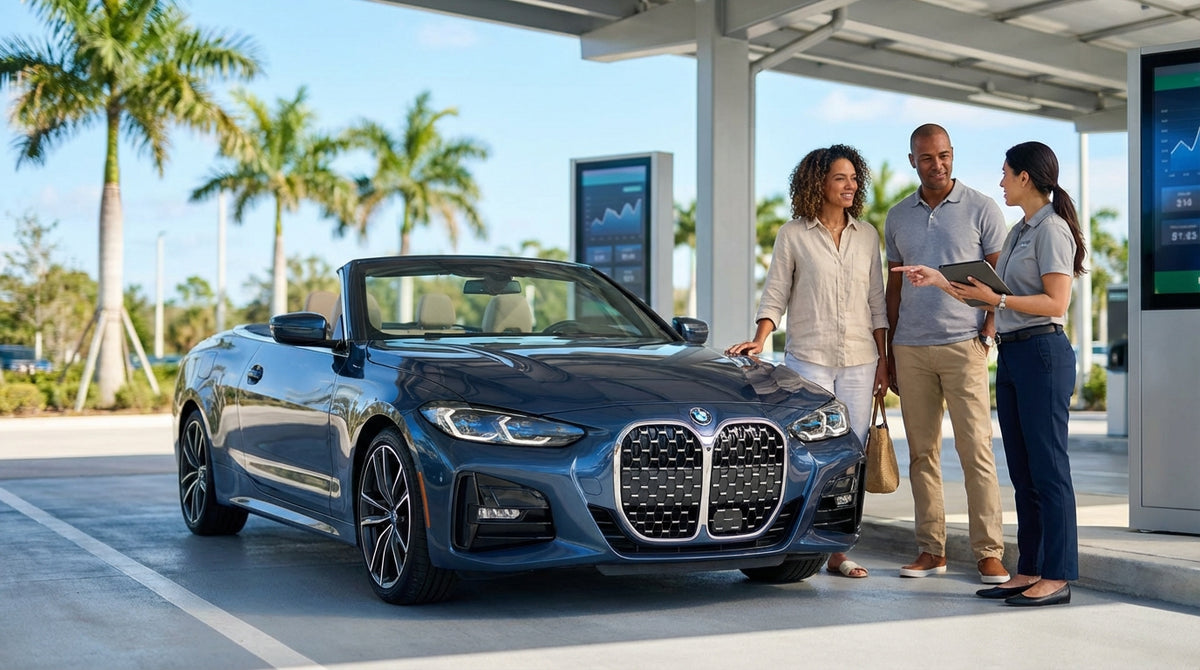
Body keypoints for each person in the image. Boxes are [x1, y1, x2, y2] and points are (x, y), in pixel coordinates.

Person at [893, 140, 1086, 607]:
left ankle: (1057, 575)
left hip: (1043, 352)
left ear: (1025, 177)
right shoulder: (1021, 229)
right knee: (1023, 469)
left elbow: (1055, 303)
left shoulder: (1052, 230)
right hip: (1014, 354)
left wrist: (997, 303)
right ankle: (1032, 568)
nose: (1000, 180)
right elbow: (989, 291)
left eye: (1005, 173)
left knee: (1049, 469)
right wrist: (940, 280)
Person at [725, 144, 888, 579]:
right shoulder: (793, 234)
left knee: (850, 457)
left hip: (860, 359)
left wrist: (884, 362)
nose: (851, 185)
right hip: (809, 358)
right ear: (819, 183)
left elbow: (877, 302)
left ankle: (840, 547)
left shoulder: (868, 235)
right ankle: (800, 541)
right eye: (841, 178)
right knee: (808, 455)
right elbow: (775, 292)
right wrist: (761, 338)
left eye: (854, 177)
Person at [884, 124, 1009, 585]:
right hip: (911, 349)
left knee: (976, 450)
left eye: (944, 156)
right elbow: (891, 288)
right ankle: (930, 549)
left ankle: (989, 552)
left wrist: (989, 330)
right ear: (912, 160)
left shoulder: (982, 208)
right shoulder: (897, 216)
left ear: (952, 155)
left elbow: (999, 279)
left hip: (964, 344)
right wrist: (889, 353)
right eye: (927, 158)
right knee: (922, 454)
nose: (937, 165)